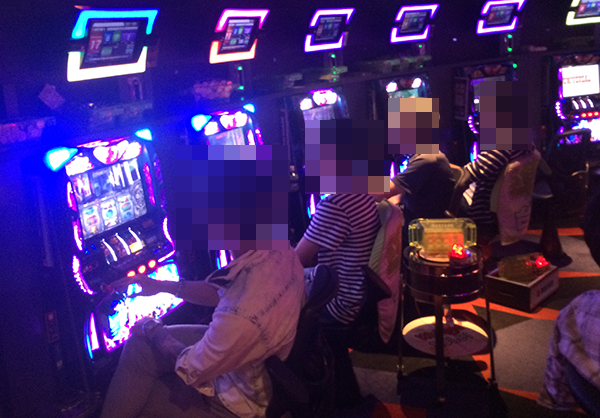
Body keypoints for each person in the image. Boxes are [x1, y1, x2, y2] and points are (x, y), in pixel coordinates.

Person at [100, 143, 305, 418]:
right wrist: (162, 286)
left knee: (141, 400)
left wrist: (151, 327)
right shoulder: (279, 250)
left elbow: (190, 368)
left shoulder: (239, 316)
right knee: (138, 348)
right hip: (253, 360)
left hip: (241, 401)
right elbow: (219, 293)